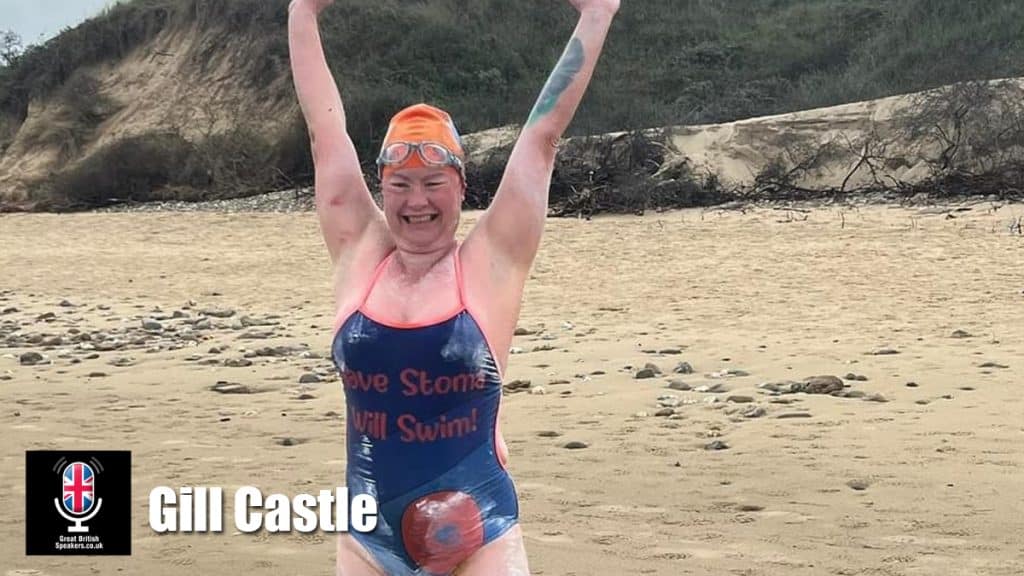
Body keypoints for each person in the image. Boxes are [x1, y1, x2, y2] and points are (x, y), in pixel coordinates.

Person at [287, 0, 619, 573]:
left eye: (433, 182)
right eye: (400, 184)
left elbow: (542, 137)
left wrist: (597, 14)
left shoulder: (491, 264)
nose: (416, 200)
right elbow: (325, 133)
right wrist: (303, 13)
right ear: (382, 188)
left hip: (480, 532)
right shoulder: (359, 254)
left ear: (461, 186)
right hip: (368, 538)